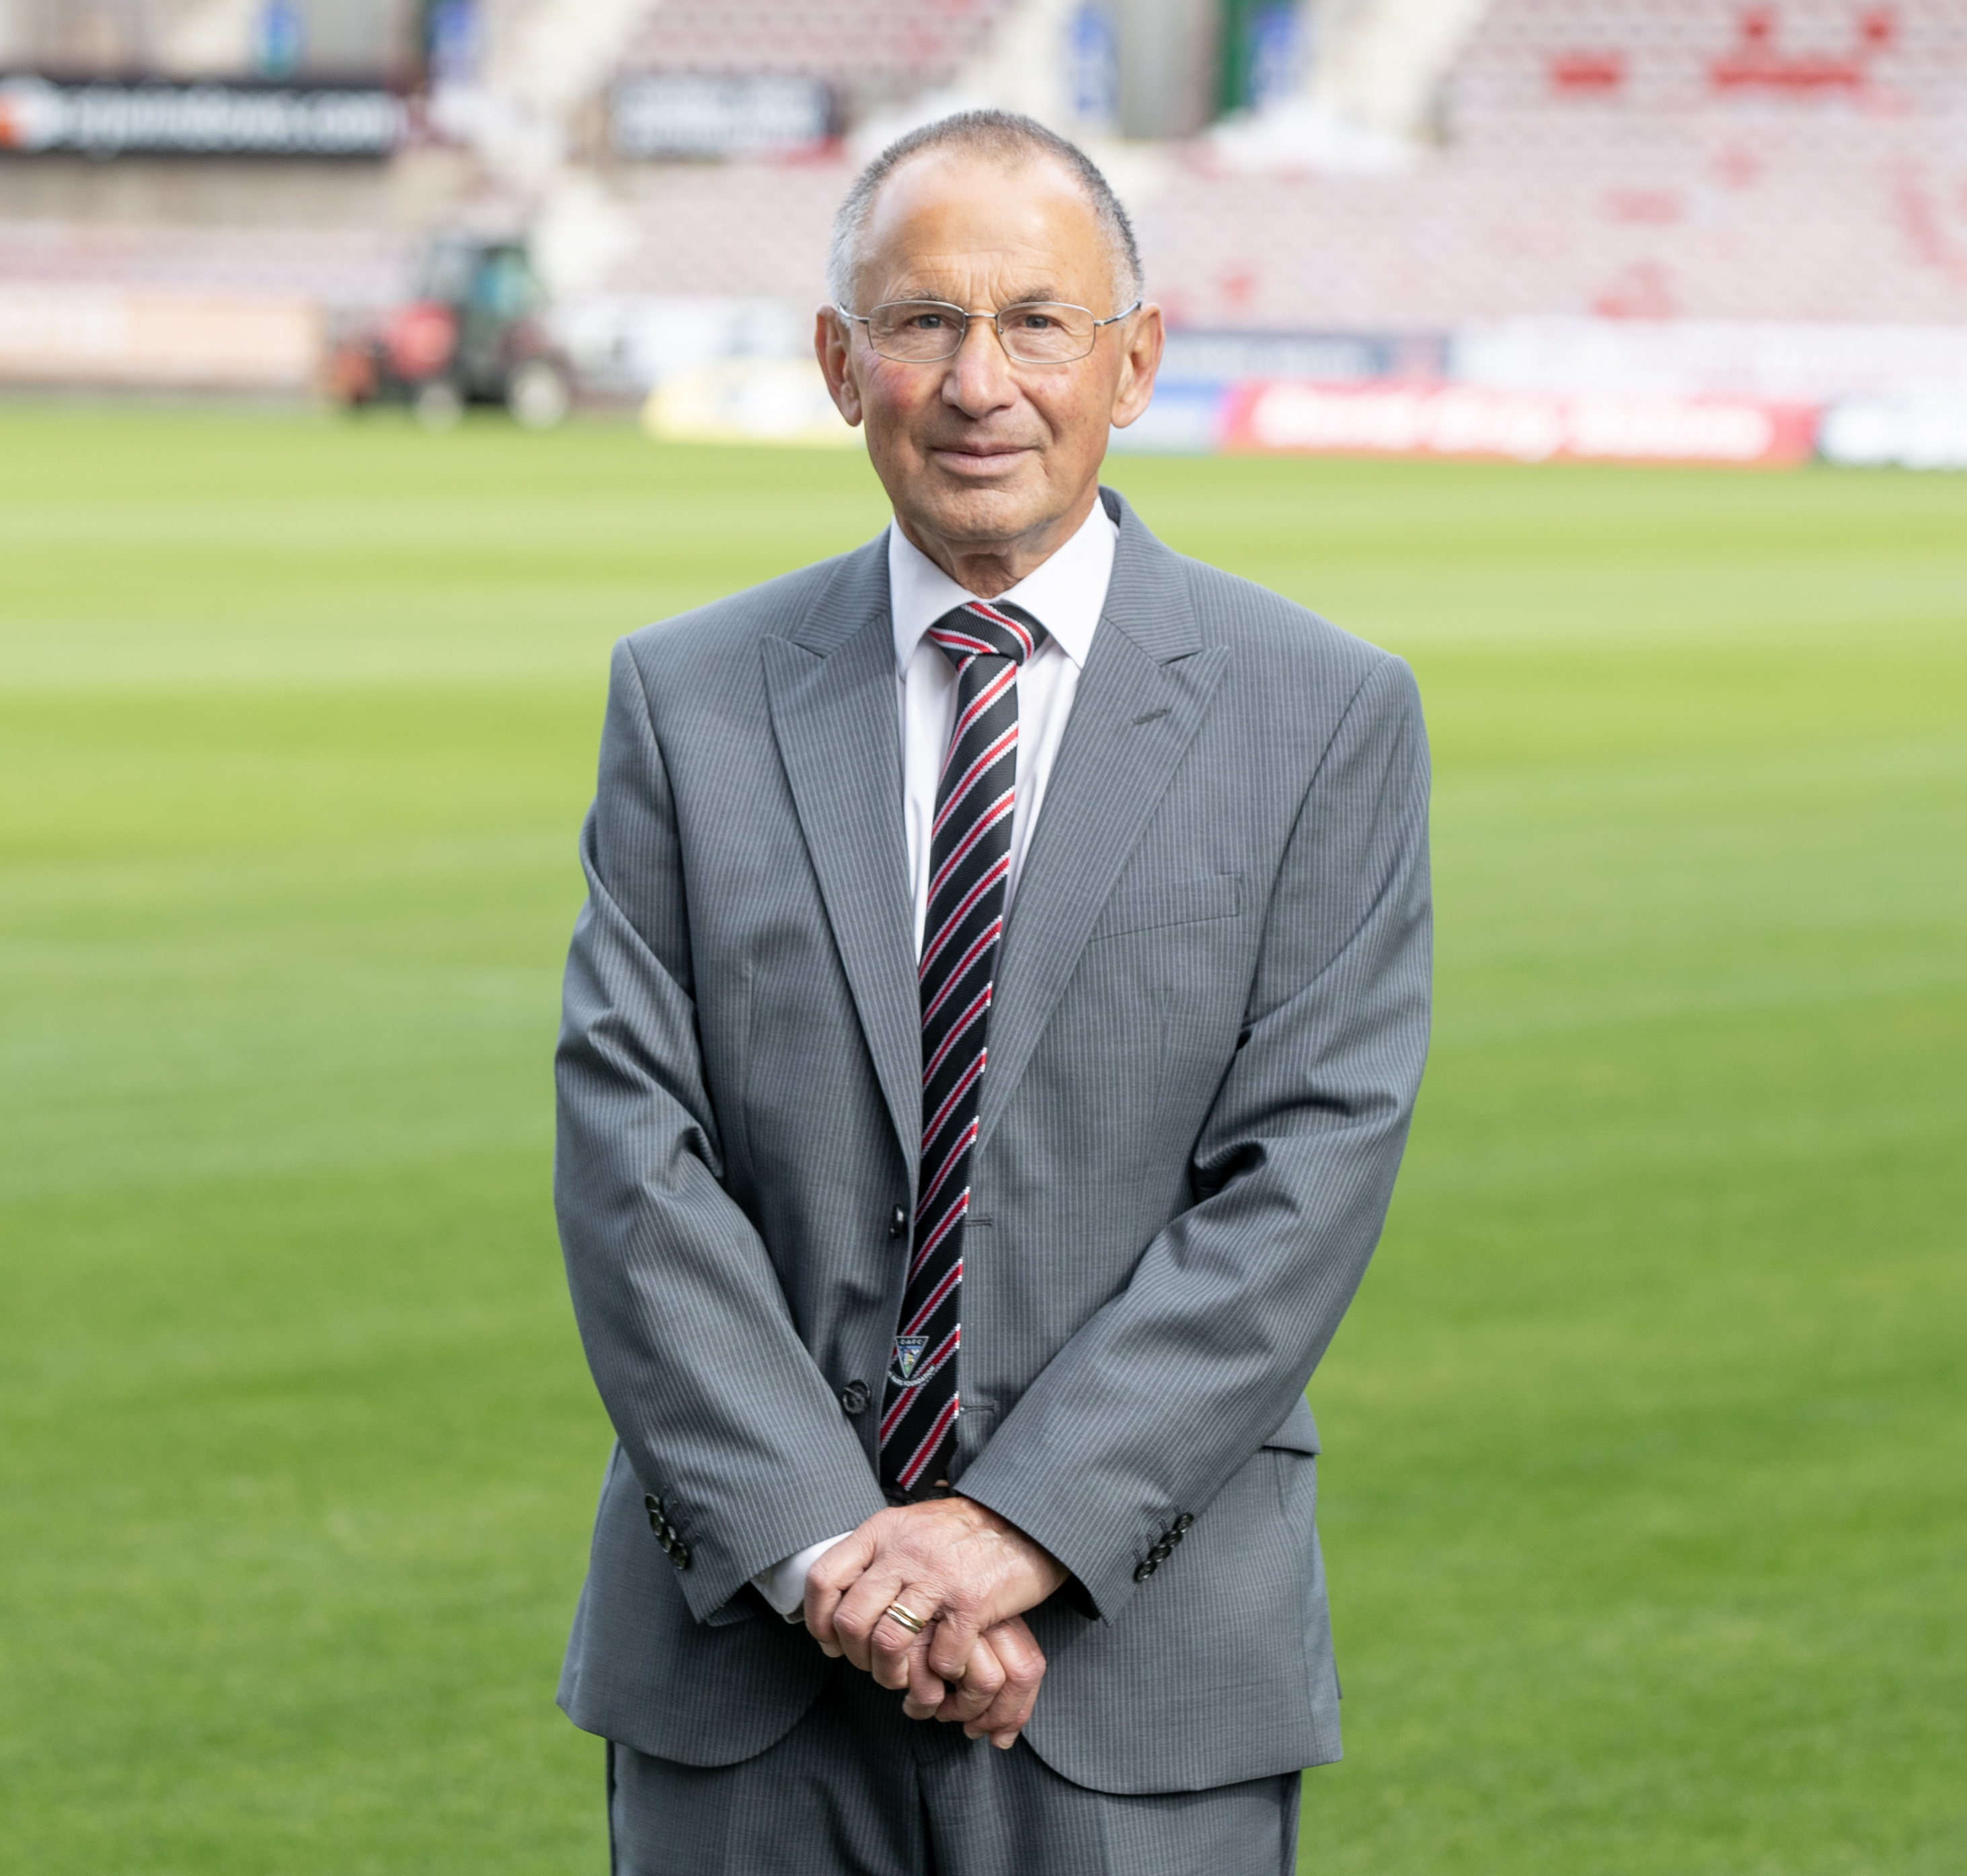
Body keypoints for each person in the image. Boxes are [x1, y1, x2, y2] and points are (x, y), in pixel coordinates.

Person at [551, 110, 1433, 1875]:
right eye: (922, 322)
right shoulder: (686, 700)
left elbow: (1302, 1182)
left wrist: (1012, 1530)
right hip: (748, 1664)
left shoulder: (1321, 712)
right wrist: (832, 1551)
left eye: (1038, 321)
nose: (979, 382)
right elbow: (633, 1166)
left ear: (1136, 360)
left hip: (1138, 1664)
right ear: (838, 363)